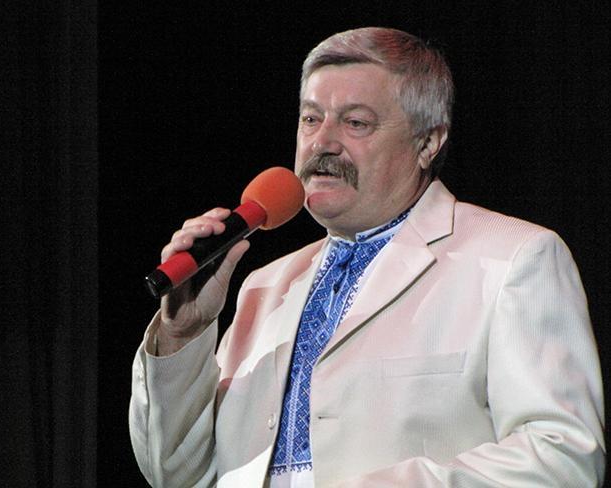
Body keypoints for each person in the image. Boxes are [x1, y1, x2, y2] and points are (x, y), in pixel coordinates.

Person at [129, 27, 605, 487]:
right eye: (311, 119)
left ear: (428, 143)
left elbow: (562, 457)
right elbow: (173, 473)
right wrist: (182, 334)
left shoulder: (513, 258)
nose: (322, 143)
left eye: (355, 122)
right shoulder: (264, 287)